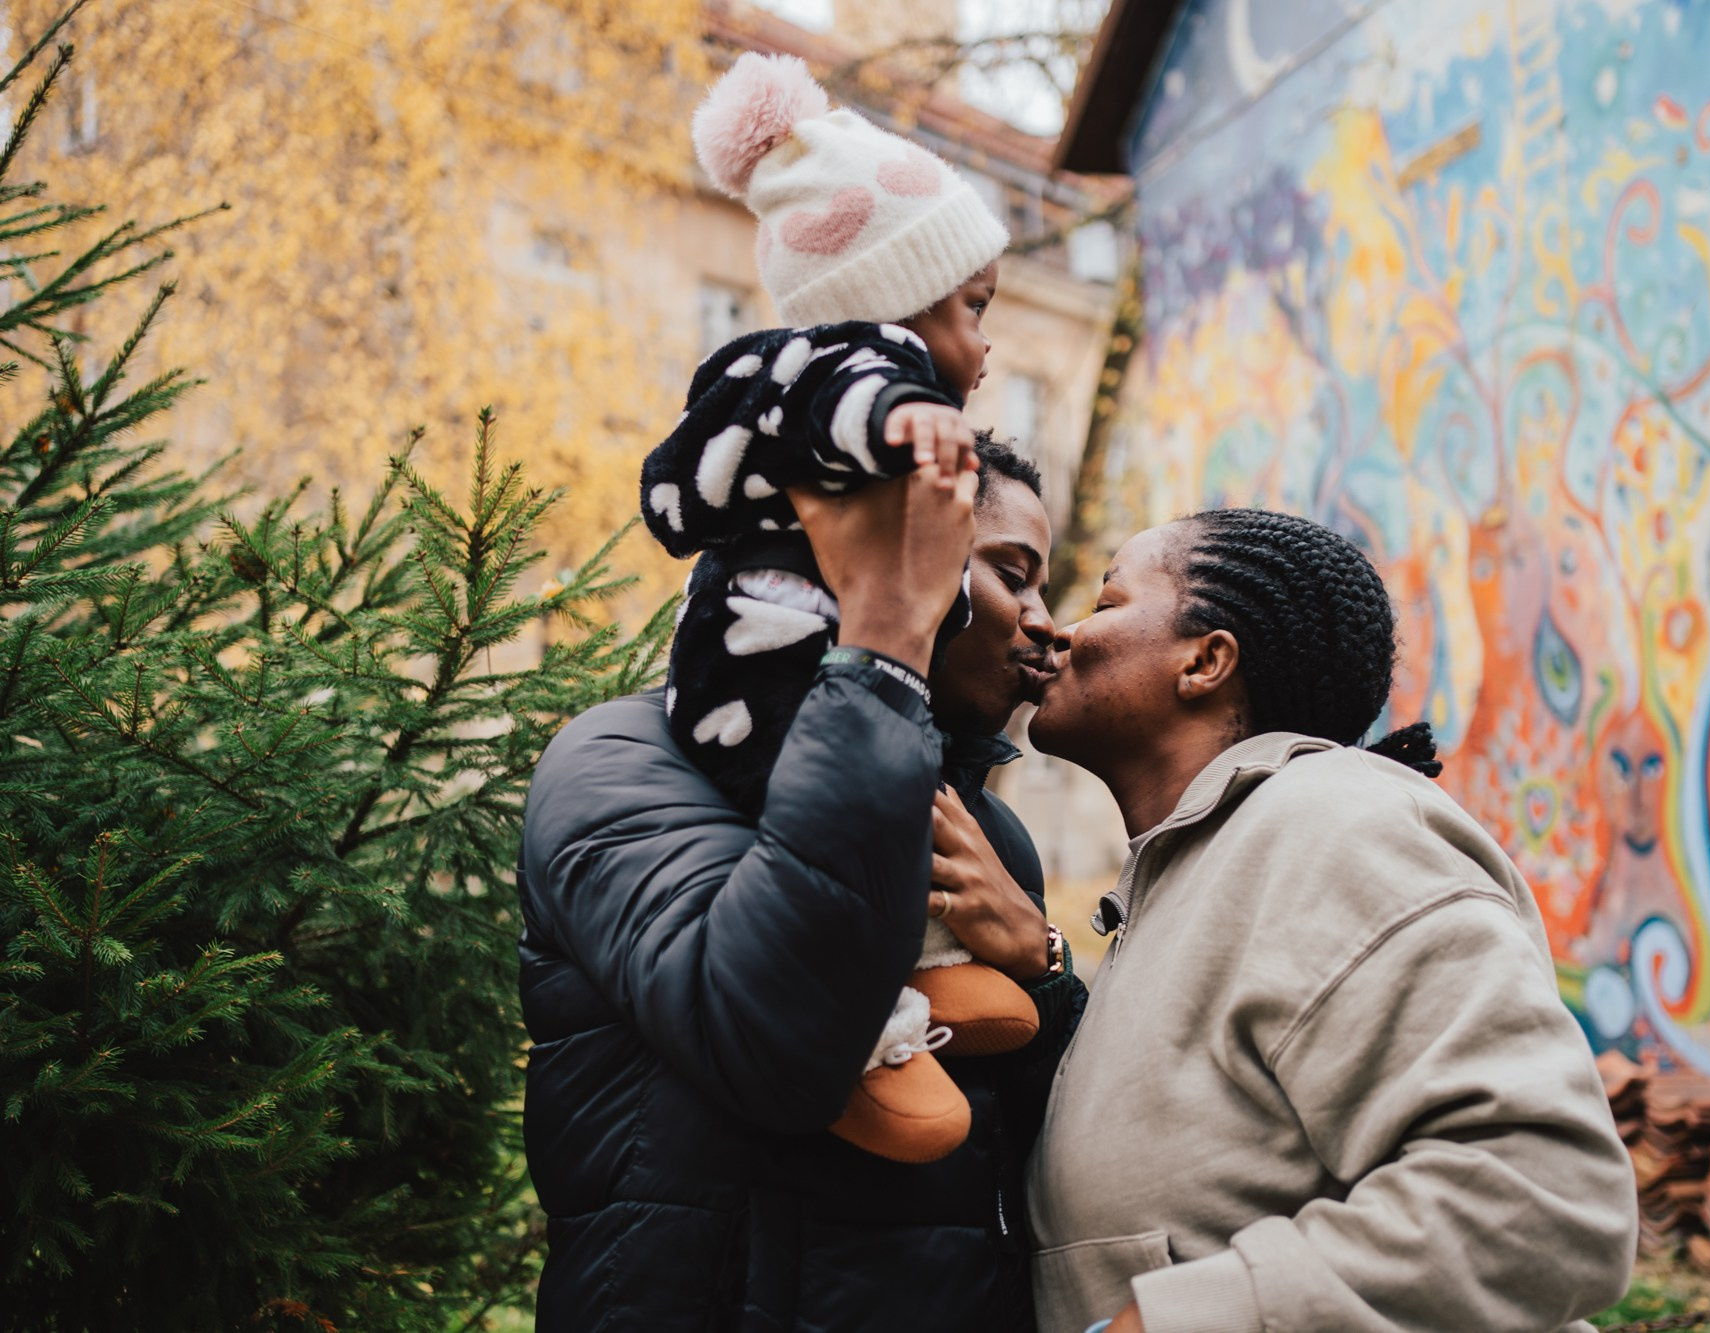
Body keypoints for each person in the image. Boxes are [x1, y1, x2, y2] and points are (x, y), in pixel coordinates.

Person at [1024, 508, 1638, 1333]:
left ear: (1206, 661)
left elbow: (1544, 1196)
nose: (1060, 631)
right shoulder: (1204, 866)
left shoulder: (1331, 822)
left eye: (1105, 603)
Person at [519, 435, 1082, 1330]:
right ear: (895, 551)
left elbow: (1041, 1136)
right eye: (1013, 573)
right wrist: (885, 646)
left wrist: (1043, 964)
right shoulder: (626, 762)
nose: (1047, 619)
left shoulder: (993, 837)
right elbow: (771, 1038)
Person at [640, 50, 1031, 1162]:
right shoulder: (815, 375)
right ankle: (872, 1036)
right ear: (889, 310)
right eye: (972, 307)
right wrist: (901, 419)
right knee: (826, 817)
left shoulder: (889, 418)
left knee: (900, 808)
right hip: (755, 685)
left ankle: (923, 960)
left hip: (830, 686)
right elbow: (833, 405)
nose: (987, 343)